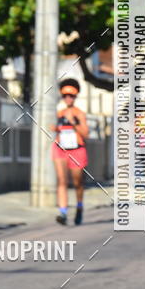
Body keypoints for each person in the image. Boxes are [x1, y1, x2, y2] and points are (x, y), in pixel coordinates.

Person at [51, 78, 89, 226]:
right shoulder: (59, 113)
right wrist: (54, 128)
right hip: (60, 148)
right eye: (65, 96)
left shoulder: (79, 114)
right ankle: (63, 212)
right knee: (61, 180)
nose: (68, 98)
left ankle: (79, 207)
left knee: (78, 182)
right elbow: (58, 129)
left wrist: (74, 123)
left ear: (75, 96)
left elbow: (86, 133)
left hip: (77, 150)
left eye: (71, 96)